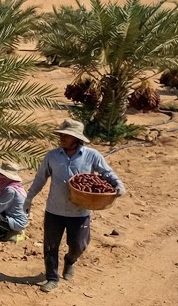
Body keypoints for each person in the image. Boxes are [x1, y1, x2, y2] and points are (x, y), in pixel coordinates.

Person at [24, 119, 125, 293]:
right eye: (62, 134)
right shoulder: (52, 156)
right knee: (50, 246)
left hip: (79, 211)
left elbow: (106, 173)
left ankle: (70, 260)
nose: (62, 138)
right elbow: (40, 178)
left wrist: (118, 185)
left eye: (67, 135)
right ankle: (52, 277)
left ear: (76, 139)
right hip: (54, 210)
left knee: (79, 245)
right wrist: (29, 198)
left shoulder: (91, 155)